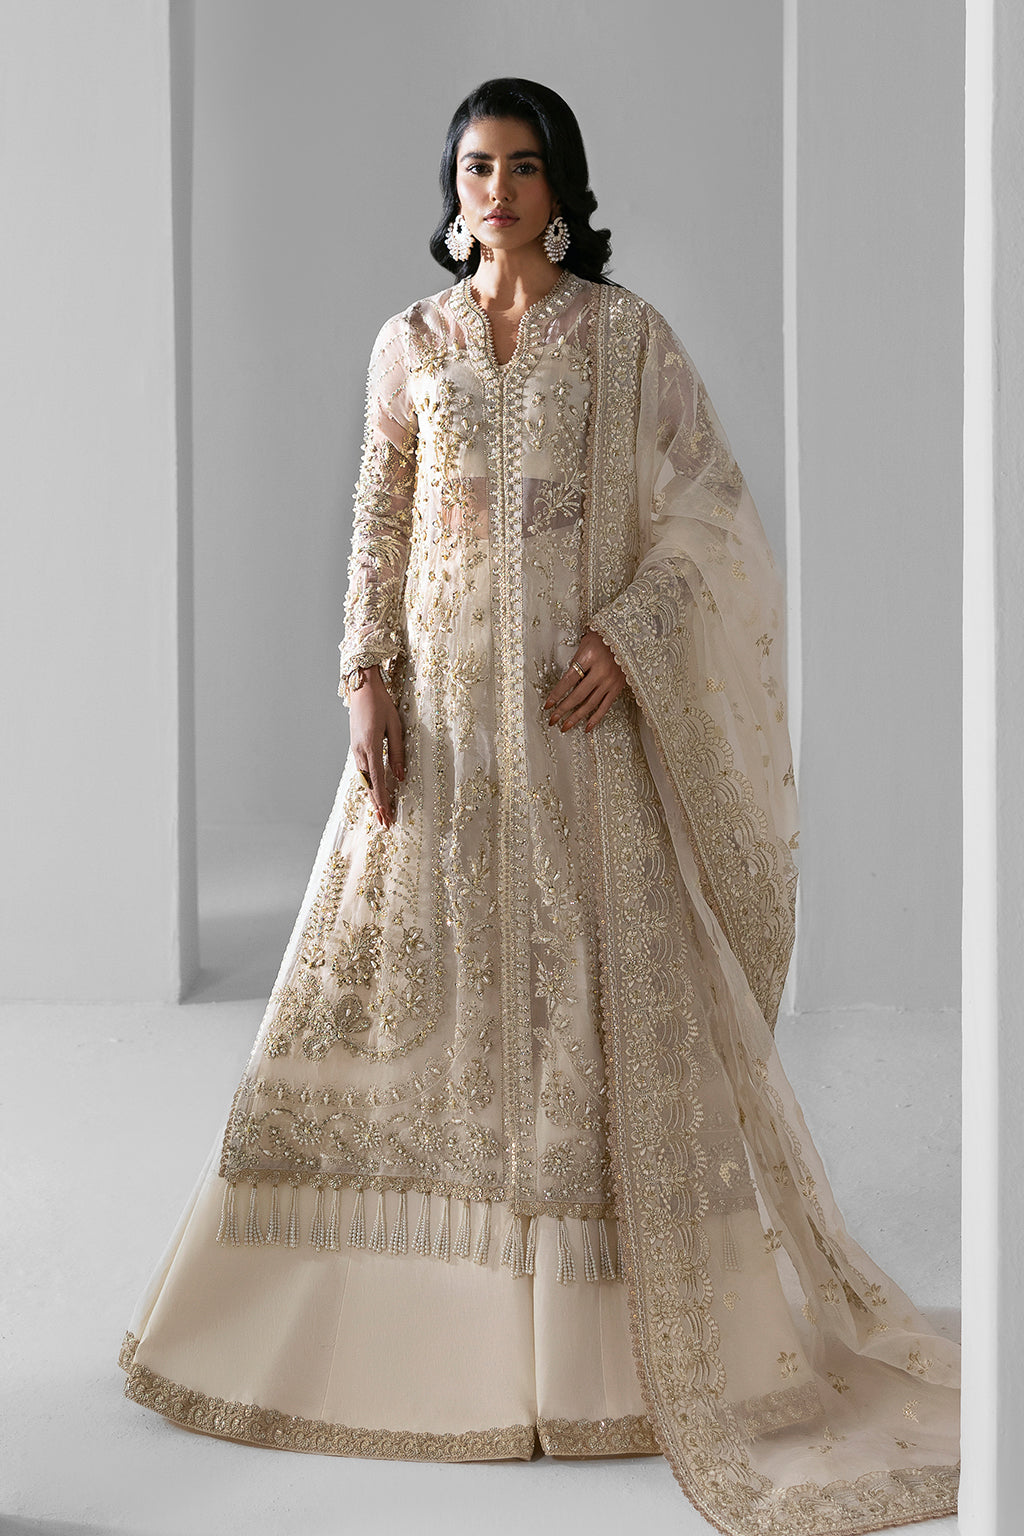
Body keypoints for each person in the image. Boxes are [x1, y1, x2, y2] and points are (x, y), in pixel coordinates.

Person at [120, 77, 960, 1534]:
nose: (494, 190)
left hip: (577, 730)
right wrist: (364, 676)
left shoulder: (626, 338)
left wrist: (629, 640)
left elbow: (709, 507)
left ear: (561, 182)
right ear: (451, 187)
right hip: (442, 729)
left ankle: (591, 1365)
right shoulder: (411, 342)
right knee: (397, 996)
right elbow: (379, 516)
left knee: (577, 1008)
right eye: (473, 168)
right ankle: (357, 1333)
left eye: (518, 166)